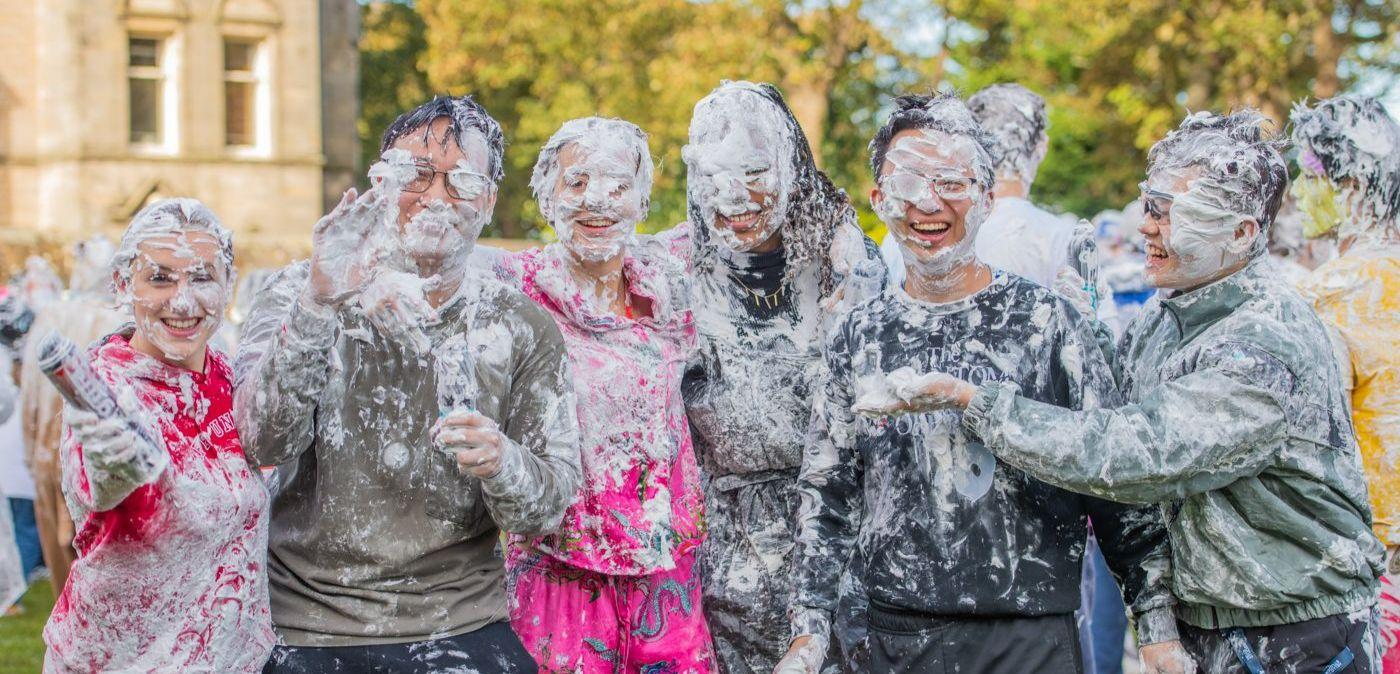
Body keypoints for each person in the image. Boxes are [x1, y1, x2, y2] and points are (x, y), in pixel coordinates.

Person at [890, 110, 1384, 673]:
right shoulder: (1167, 315)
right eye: (1151, 204)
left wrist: (976, 403)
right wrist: (1089, 341)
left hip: (1298, 635)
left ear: (1243, 232)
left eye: (1173, 214)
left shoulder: (1264, 341)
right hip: (1212, 624)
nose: (1147, 226)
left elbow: (1137, 452)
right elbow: (1127, 414)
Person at [779, 92, 1172, 674]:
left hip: (1029, 635)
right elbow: (828, 495)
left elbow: (1115, 487)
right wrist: (807, 631)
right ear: (879, 199)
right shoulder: (859, 336)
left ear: (987, 197)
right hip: (895, 636)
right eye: (908, 184)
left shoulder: (1046, 325)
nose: (927, 205)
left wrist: (1157, 622)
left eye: (951, 183)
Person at [235, 95, 580, 673]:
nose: (437, 198)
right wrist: (320, 306)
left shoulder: (517, 326)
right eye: (417, 175)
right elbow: (259, 442)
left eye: (461, 183)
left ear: (490, 201)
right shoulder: (303, 287)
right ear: (379, 180)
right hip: (310, 620)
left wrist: (503, 463)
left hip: (461, 619)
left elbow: (546, 508)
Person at [655, 80, 885, 673]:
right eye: (712, 174)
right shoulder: (666, 272)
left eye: (756, 170)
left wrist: (853, 273)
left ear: (793, 167)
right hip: (719, 571)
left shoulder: (845, 265)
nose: (735, 194)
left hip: (839, 552)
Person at [491, 117, 714, 672]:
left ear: (643, 201)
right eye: (577, 182)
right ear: (545, 195)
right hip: (557, 570)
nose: (599, 202)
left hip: (666, 571)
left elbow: (762, 214)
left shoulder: (671, 285)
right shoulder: (512, 289)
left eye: (619, 187)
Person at [42, 198, 274, 672]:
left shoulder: (228, 378)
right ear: (123, 285)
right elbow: (100, 487)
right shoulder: (104, 389)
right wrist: (113, 469)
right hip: (120, 661)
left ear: (227, 285)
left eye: (202, 277)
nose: (183, 301)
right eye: (161, 278)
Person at [1292, 94, 1400, 673]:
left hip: (1367, 569)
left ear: (1350, 182)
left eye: (1310, 174)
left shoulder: (1328, 292)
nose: (1298, 192)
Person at [19, 237, 127, 596]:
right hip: (85, 454)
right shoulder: (119, 321)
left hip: (55, 453)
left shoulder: (54, 317)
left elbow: (29, 399)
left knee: (70, 553)